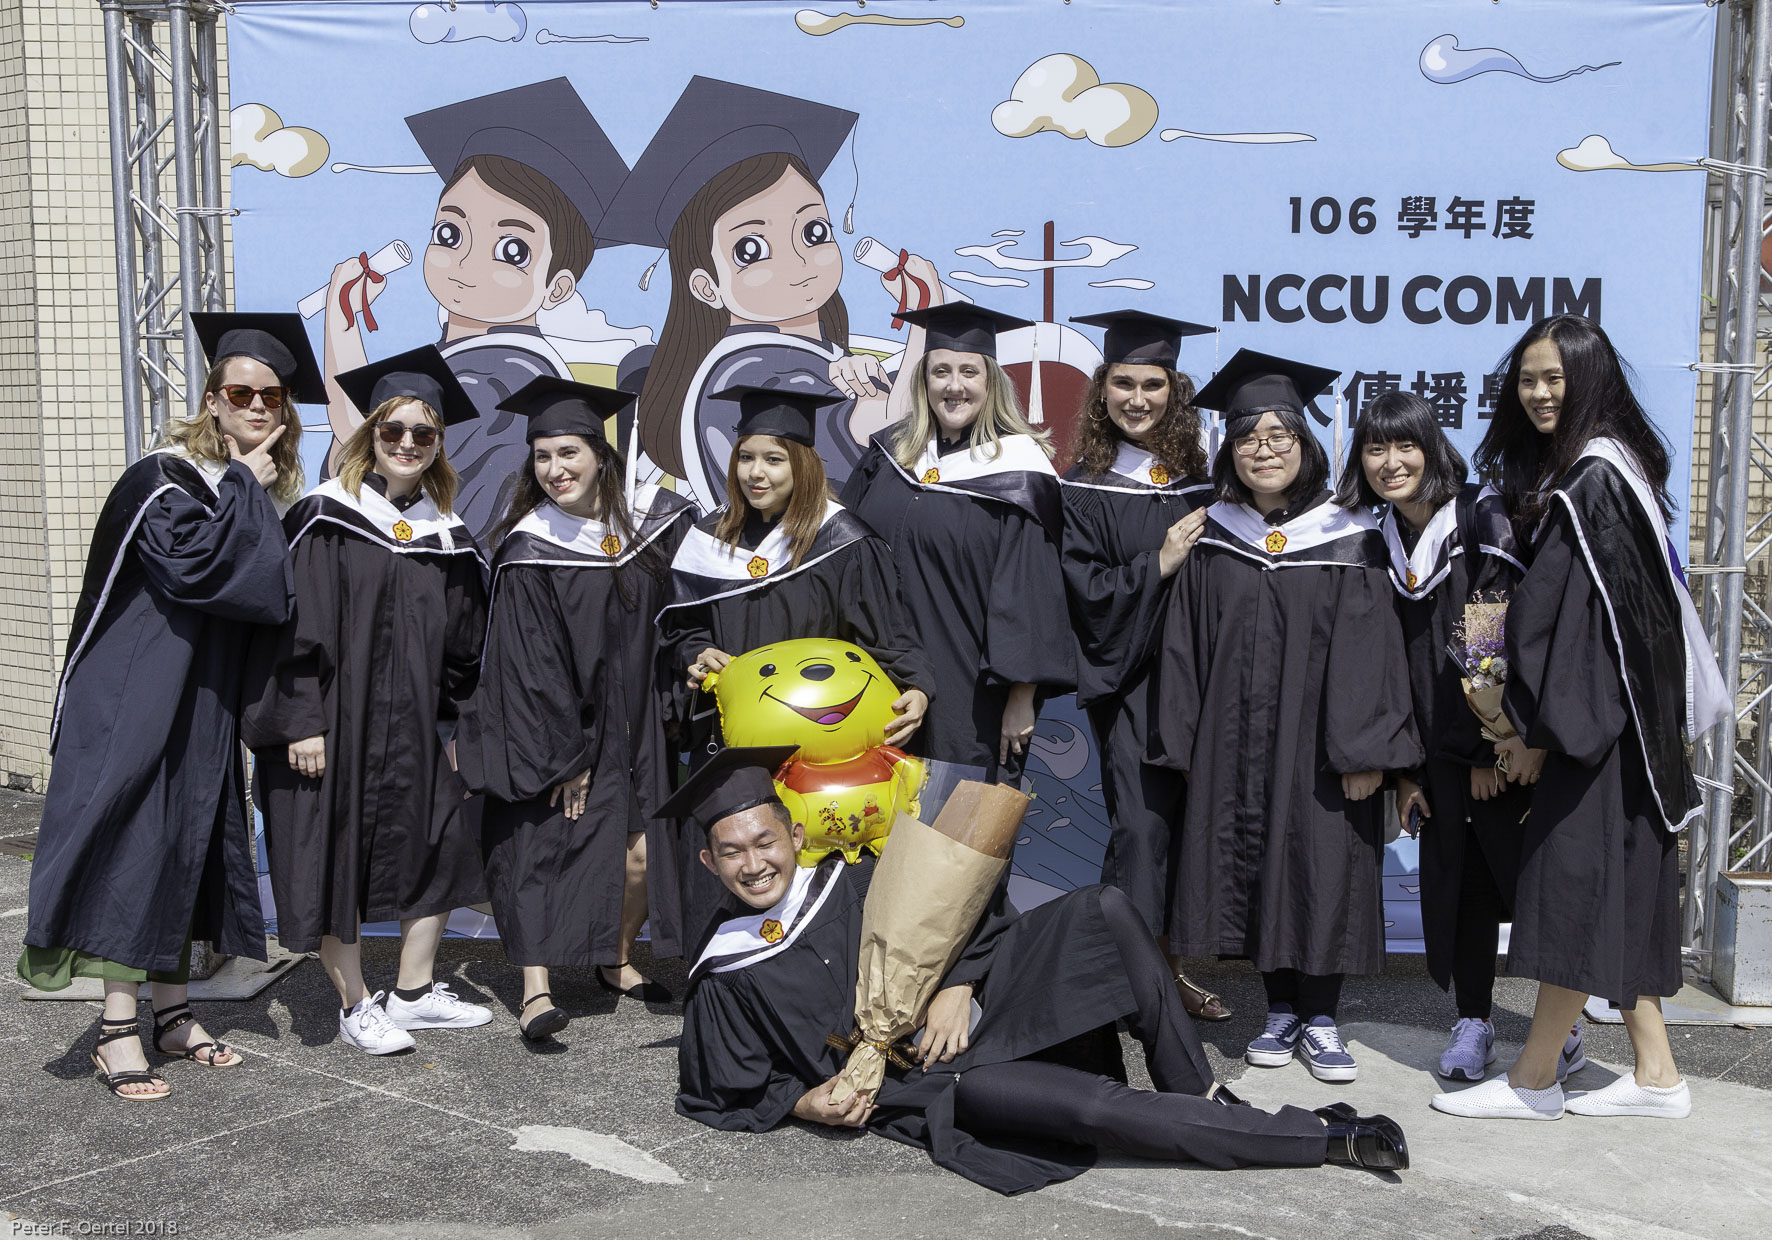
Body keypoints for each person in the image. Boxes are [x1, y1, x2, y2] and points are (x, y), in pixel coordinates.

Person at [669, 747, 1409, 1194]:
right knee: (1093, 1112)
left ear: (794, 832)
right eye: (731, 853)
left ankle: (1199, 1091)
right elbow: (720, 1089)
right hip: (934, 1080)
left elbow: (963, 906)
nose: (753, 864)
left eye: (764, 842)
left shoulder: (852, 878)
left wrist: (957, 982)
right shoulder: (725, 968)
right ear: (709, 861)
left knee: (1104, 908)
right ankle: (1323, 1138)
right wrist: (806, 1104)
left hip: (986, 1008)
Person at [1432, 315, 1728, 1121]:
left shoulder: (1585, 482)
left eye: (1554, 378)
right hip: (1610, 724)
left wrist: (1518, 731)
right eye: (1527, 379)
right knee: (1609, 892)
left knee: (1571, 890)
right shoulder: (1596, 470)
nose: (1538, 393)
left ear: (1590, 381)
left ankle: (1534, 1077)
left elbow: (1540, 619)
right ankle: (1656, 1074)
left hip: (1580, 727)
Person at [19, 312, 315, 1098]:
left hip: (199, 697)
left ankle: (173, 1013)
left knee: (190, 840)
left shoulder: (249, 488)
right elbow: (200, 572)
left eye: (272, 396)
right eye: (240, 393)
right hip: (136, 696)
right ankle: (117, 1029)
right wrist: (246, 488)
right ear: (212, 400)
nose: (257, 406)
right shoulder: (162, 478)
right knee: (135, 846)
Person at [1149, 349, 1423, 1084]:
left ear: (1304, 443)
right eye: (1247, 437)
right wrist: (1185, 744)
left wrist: (1368, 752)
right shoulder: (1213, 533)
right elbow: (1185, 646)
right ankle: (1278, 1010)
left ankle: (1322, 1017)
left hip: (1324, 747)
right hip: (1233, 743)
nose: (1263, 450)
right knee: (1255, 863)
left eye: (1279, 435)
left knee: (1321, 863)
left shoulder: (1350, 532)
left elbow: (1374, 652)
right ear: (1230, 450)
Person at [243, 346, 493, 1056]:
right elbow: (288, 628)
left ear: (438, 443)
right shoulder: (327, 516)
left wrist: (456, 725)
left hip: (412, 729)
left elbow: (465, 644)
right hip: (333, 725)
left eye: (423, 433)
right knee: (335, 858)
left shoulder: (448, 536)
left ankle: (412, 991)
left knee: (439, 844)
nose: (408, 443)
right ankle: (355, 1004)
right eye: (393, 430)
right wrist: (300, 720)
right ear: (370, 436)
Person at [458, 376, 696, 1033]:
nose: (554, 469)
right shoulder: (530, 546)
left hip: (642, 725)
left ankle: (614, 958)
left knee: (642, 855)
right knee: (539, 848)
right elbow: (528, 665)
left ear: (600, 454)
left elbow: (688, 614)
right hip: (557, 729)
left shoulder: (657, 522)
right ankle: (535, 991)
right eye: (542, 456)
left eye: (568, 453)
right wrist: (569, 758)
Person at [1332, 391, 1552, 1082]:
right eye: (1375, 448)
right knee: (1462, 890)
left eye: (1406, 445)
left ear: (1432, 448)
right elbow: (1385, 664)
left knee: (1529, 885)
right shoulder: (1379, 538)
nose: (1391, 462)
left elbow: (1488, 634)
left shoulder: (1479, 516)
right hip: (1433, 752)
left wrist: (1487, 744)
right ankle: (1474, 1019)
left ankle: (1560, 1031)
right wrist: (1408, 771)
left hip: (1498, 743)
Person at [657, 383, 932, 935]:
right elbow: (681, 631)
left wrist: (918, 687)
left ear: (803, 464)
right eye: (746, 458)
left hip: (823, 755)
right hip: (735, 748)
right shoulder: (709, 541)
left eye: (774, 460)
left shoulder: (842, 541)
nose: (756, 473)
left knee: (821, 878)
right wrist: (694, 654)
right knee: (741, 864)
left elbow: (888, 635)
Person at [599, 76, 940, 508]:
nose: (798, 261)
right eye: (751, 249)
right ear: (707, 286)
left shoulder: (818, 356)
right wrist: (927, 320)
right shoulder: (746, 372)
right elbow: (889, 436)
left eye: (814, 232)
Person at [322, 78, 631, 533]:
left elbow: (376, 453)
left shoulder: (507, 376)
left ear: (557, 287)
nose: (466, 262)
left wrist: (341, 323)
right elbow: (348, 472)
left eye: (511, 250)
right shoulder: (447, 363)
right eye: (449, 234)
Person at [1058, 310, 1229, 1023]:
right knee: (1142, 830)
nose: (1137, 398)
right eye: (1123, 384)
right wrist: (1157, 564)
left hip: (1204, 686)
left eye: (1152, 384)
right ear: (1102, 390)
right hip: (1132, 687)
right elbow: (1083, 592)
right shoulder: (1083, 488)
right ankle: (1136, 983)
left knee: (1191, 830)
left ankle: (1161, 973)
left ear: (1175, 390)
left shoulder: (1207, 484)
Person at [841, 303, 1075, 791]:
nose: (954, 385)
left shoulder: (1018, 472)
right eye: (940, 371)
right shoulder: (887, 457)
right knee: (871, 823)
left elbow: (1031, 597)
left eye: (969, 371)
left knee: (950, 829)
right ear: (923, 380)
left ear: (991, 382)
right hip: (875, 683)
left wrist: (1021, 698)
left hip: (968, 695)